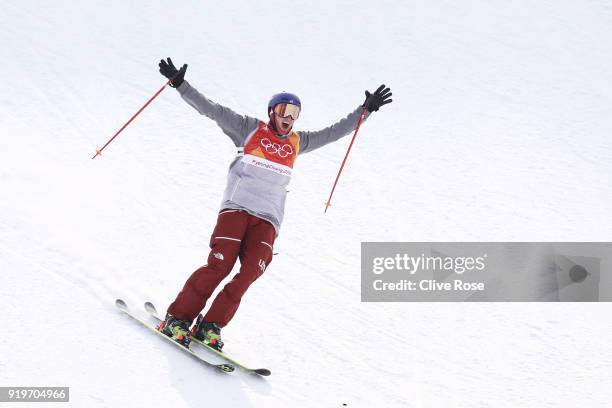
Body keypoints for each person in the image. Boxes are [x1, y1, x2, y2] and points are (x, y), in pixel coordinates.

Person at [156, 57, 392, 350]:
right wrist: (180, 84)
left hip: (268, 219)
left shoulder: (298, 142)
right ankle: (177, 318)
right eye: (284, 110)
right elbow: (212, 110)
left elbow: (335, 132)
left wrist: (364, 111)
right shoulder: (248, 129)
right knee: (220, 265)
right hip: (237, 209)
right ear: (272, 112)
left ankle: (210, 326)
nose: (289, 117)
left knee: (251, 271)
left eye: (295, 112)